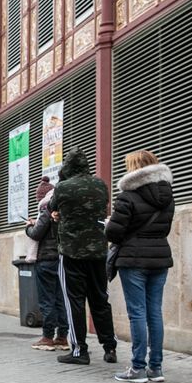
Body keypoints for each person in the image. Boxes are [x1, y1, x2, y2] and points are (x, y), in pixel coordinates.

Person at [104, 150, 175, 383]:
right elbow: (164, 229)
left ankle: (137, 368)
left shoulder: (127, 196)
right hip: (159, 257)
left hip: (133, 259)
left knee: (137, 313)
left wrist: (107, 225)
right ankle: (156, 368)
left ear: (134, 168)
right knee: (154, 312)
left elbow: (114, 231)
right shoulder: (168, 194)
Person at [49, 148, 118, 365]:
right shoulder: (100, 184)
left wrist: (59, 214)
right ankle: (110, 348)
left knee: (74, 302)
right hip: (98, 251)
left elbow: (53, 208)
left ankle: (79, 350)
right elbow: (103, 208)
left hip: (71, 251)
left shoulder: (63, 187)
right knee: (100, 300)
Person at [24, 186, 69, 351]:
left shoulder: (46, 208)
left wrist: (28, 227)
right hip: (61, 259)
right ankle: (62, 336)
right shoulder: (63, 209)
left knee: (46, 300)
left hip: (46, 259)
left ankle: (47, 337)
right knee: (60, 299)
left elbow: (36, 233)